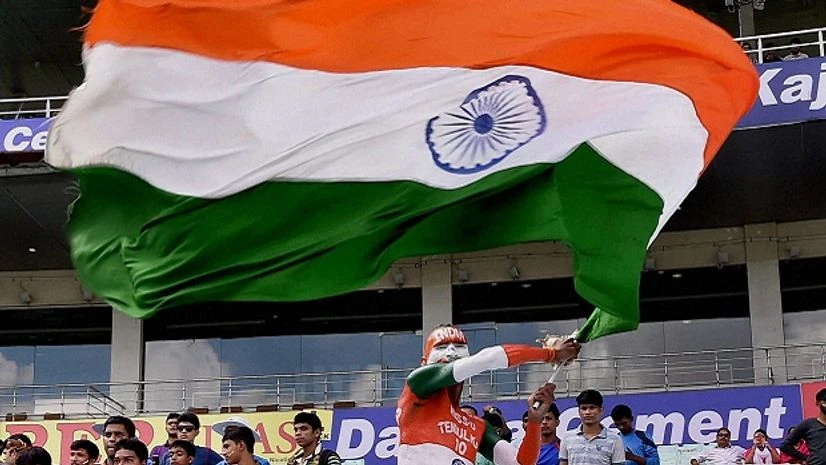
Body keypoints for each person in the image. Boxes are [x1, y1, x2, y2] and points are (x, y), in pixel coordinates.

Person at [397, 324, 580, 465]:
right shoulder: (417, 384)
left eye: (459, 346)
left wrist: (534, 421)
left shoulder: (477, 426)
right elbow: (489, 359)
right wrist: (550, 353)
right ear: (424, 362)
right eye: (441, 346)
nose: (451, 351)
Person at [559, 390, 625, 465]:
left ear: (601, 410)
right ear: (579, 411)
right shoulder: (567, 437)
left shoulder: (615, 440)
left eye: (592, 408)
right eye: (584, 408)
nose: (587, 412)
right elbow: (563, 462)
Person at [780, 387, 826, 465]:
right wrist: (805, 457)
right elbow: (785, 446)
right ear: (817, 403)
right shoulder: (808, 425)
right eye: (825, 401)